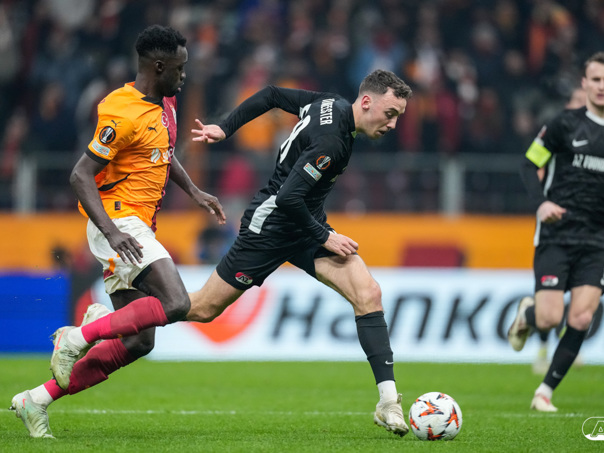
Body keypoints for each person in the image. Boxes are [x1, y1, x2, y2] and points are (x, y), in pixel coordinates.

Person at [10, 24, 225, 438]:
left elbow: (161, 153)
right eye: (179, 69)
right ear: (158, 66)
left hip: (136, 226)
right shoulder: (121, 111)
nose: (184, 76)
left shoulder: (165, 102)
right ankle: (78, 337)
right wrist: (111, 232)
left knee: (140, 342)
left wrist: (195, 191)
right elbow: (80, 175)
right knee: (176, 303)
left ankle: (36, 399)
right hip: (118, 222)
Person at [184, 69, 413, 436]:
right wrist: (326, 237)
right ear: (367, 101)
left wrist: (226, 127)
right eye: (390, 114)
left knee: (368, 293)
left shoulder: (330, 104)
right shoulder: (332, 141)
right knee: (202, 308)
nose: (393, 124)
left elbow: (273, 94)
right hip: (272, 226)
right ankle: (121, 313)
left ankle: (388, 402)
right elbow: (288, 197)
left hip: (304, 224)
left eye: (398, 116)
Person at [508, 52, 604, 412]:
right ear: (585, 83)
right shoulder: (563, 124)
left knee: (581, 317)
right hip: (557, 233)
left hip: (597, 240)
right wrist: (541, 204)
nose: (602, 86)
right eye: (596, 79)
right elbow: (528, 163)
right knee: (550, 318)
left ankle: (544, 392)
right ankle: (528, 315)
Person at [531, 85, 587, 375]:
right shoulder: (558, 131)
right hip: (555, 226)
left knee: (581, 293)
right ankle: (542, 347)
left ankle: (565, 344)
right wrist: (543, 201)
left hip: (590, 229)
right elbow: (534, 166)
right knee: (550, 297)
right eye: (578, 101)